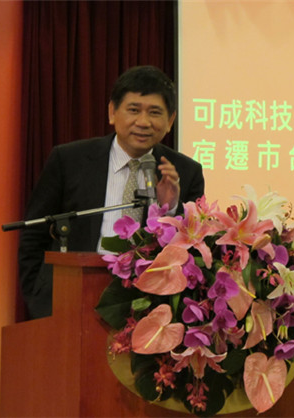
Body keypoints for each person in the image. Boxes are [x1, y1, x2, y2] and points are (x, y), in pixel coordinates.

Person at [18, 65, 205, 319]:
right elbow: (34, 234)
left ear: (170, 121)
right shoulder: (69, 160)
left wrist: (171, 208)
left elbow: (191, 249)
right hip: (70, 294)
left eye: (154, 113)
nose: (143, 122)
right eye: (133, 110)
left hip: (144, 304)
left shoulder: (186, 172)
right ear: (112, 112)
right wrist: (36, 296)